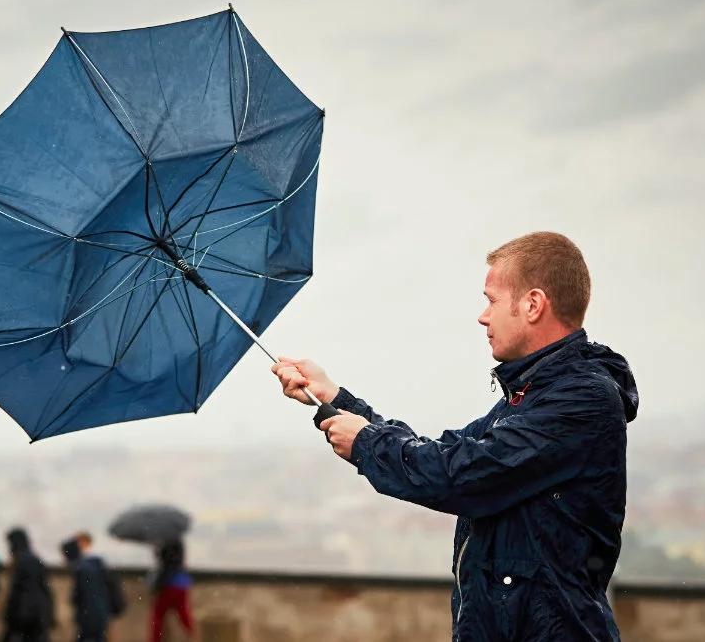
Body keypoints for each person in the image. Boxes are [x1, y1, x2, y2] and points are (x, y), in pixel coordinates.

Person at [273, 232, 637, 641]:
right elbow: (443, 452)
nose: (483, 316)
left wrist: (365, 444)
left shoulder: (581, 399)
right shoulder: (531, 398)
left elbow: (461, 476)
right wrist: (336, 399)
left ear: (533, 305)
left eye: (492, 300)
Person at [60, 532, 123, 642]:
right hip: (102, 615)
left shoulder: (81, 570)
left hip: (90, 619)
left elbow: (81, 596)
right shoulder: (94, 565)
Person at [2, 528, 54, 642]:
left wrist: (10, 616)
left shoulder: (22, 561)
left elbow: (18, 592)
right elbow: (45, 589)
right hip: (37, 614)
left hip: (26, 616)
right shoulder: (34, 559)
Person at [148, 540, 195, 642]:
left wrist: (158, 551)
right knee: (184, 613)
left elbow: (165, 561)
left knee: (158, 615)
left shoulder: (166, 542)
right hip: (181, 583)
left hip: (169, 584)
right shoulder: (178, 541)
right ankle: (195, 636)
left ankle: (155, 640)